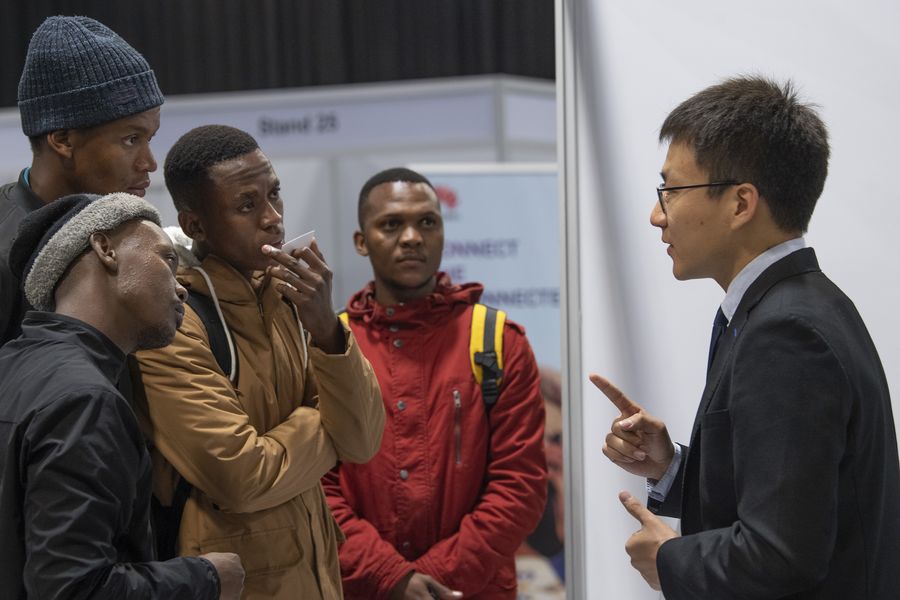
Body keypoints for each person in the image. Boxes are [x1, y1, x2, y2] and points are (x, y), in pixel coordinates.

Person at [594, 76, 900, 598]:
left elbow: (781, 555)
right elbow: (791, 501)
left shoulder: (786, 331)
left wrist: (670, 560)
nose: (656, 215)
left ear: (740, 204)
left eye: (671, 190)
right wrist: (671, 466)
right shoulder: (795, 307)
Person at [132, 124, 385, 599]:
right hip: (232, 581)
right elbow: (243, 478)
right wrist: (327, 421)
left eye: (274, 194)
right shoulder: (172, 319)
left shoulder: (290, 297)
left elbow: (364, 440)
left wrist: (327, 331)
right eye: (246, 205)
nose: (273, 218)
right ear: (195, 225)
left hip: (315, 577)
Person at [0, 193, 244, 598]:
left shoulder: (14, 366)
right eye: (167, 259)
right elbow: (74, 589)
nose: (181, 289)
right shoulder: (84, 401)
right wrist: (206, 577)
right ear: (105, 248)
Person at [322, 167, 548, 599]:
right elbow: (316, 487)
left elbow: (520, 486)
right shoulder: (332, 345)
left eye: (427, 222)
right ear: (361, 241)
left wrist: (429, 581)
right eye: (391, 224)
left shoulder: (497, 341)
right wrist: (389, 577)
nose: (412, 237)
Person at [0, 15, 163, 344]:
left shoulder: (127, 235)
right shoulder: (6, 256)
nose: (149, 163)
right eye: (131, 139)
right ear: (62, 140)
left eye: (150, 139)